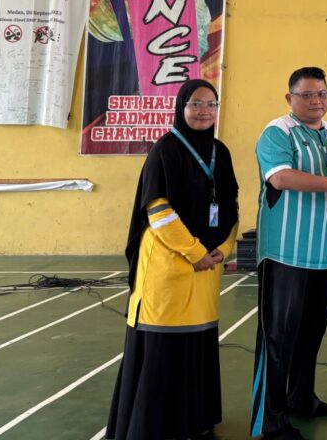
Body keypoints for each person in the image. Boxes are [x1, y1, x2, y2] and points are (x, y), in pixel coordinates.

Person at [106, 78, 240, 440]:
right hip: (167, 269)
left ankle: (192, 422)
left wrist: (224, 249)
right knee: (163, 345)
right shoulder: (164, 150)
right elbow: (159, 211)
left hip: (206, 269)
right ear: (181, 107)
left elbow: (231, 206)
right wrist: (195, 252)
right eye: (196, 104)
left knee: (196, 342)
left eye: (211, 104)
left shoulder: (221, 152)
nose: (204, 111)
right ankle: (151, 427)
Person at [249, 66, 327, 440]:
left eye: (322, 94)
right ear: (290, 98)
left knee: (311, 332)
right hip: (286, 251)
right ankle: (269, 422)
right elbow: (280, 177)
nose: (316, 101)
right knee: (278, 337)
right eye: (306, 95)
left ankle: (301, 398)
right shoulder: (277, 132)